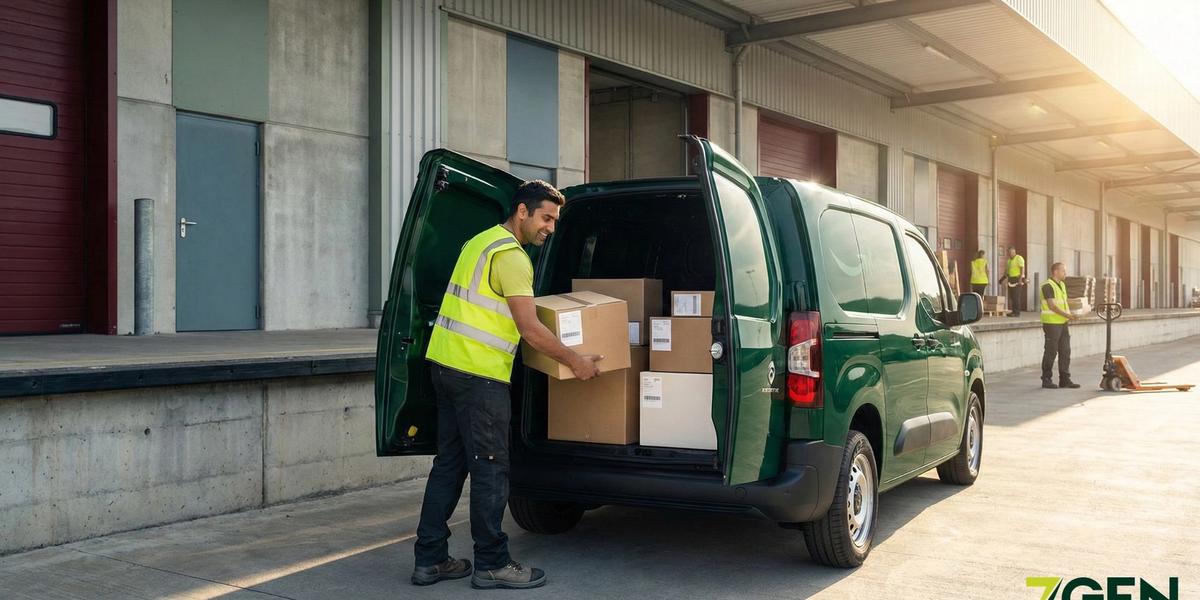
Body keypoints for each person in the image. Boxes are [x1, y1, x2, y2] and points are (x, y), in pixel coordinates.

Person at [412, 180, 603, 590]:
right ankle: (492, 564)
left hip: (446, 368)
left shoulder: (478, 243)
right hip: (479, 378)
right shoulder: (512, 257)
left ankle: (430, 559)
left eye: (554, 220)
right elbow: (530, 329)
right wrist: (576, 361)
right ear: (522, 211)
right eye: (546, 218)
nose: (550, 228)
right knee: (491, 471)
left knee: (449, 465)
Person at [1040, 262, 1081, 389]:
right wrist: (1069, 315)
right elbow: (1052, 305)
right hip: (1052, 323)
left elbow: (1063, 302)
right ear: (1056, 272)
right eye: (1063, 271)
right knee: (1051, 352)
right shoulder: (1047, 286)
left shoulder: (1062, 285)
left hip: (1063, 323)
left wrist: (1078, 306)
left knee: (1065, 351)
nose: (1065, 273)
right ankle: (1046, 379)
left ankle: (1065, 379)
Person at [1004, 246, 1026, 317]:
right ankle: (1013, 311)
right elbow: (1007, 271)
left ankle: (1017, 313)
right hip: (1011, 279)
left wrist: (1020, 280)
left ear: (1014, 252)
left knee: (1016, 296)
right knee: (1012, 297)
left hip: (1017, 279)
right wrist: (1004, 279)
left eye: (1011, 252)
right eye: (1009, 253)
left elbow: (1022, 268)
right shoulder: (1009, 261)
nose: (1010, 254)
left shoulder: (1019, 258)